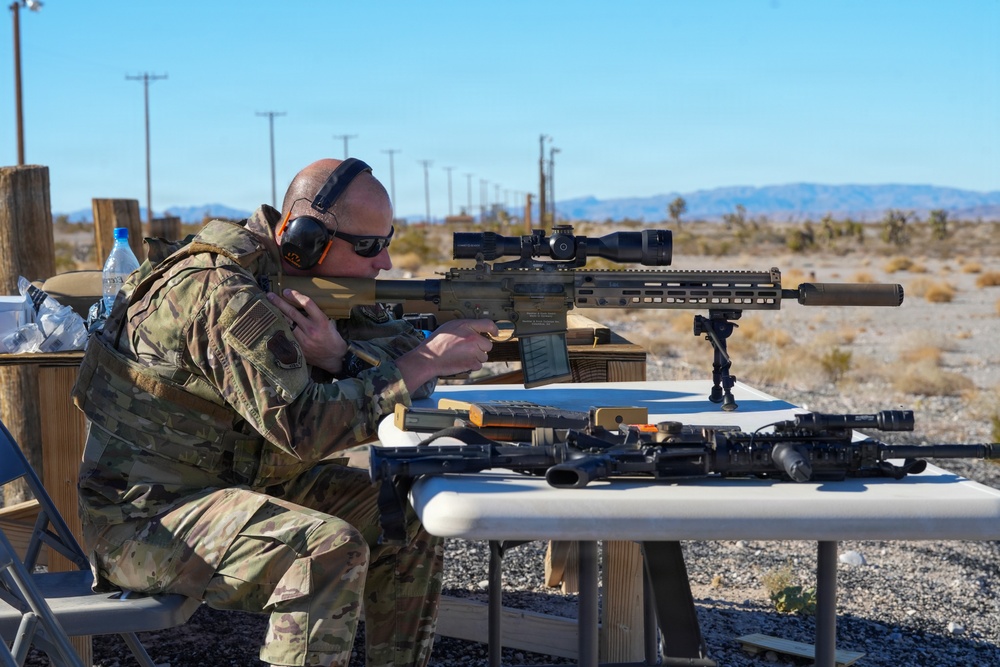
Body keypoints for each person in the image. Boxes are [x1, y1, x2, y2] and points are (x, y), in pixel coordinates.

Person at [73, 157, 498, 667]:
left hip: (240, 482)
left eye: (387, 241)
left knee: (406, 517)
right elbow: (304, 429)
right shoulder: (225, 293)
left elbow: (389, 342)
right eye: (369, 247)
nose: (383, 262)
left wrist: (349, 357)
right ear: (306, 239)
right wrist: (424, 361)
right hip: (146, 515)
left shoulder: (294, 280)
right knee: (323, 551)